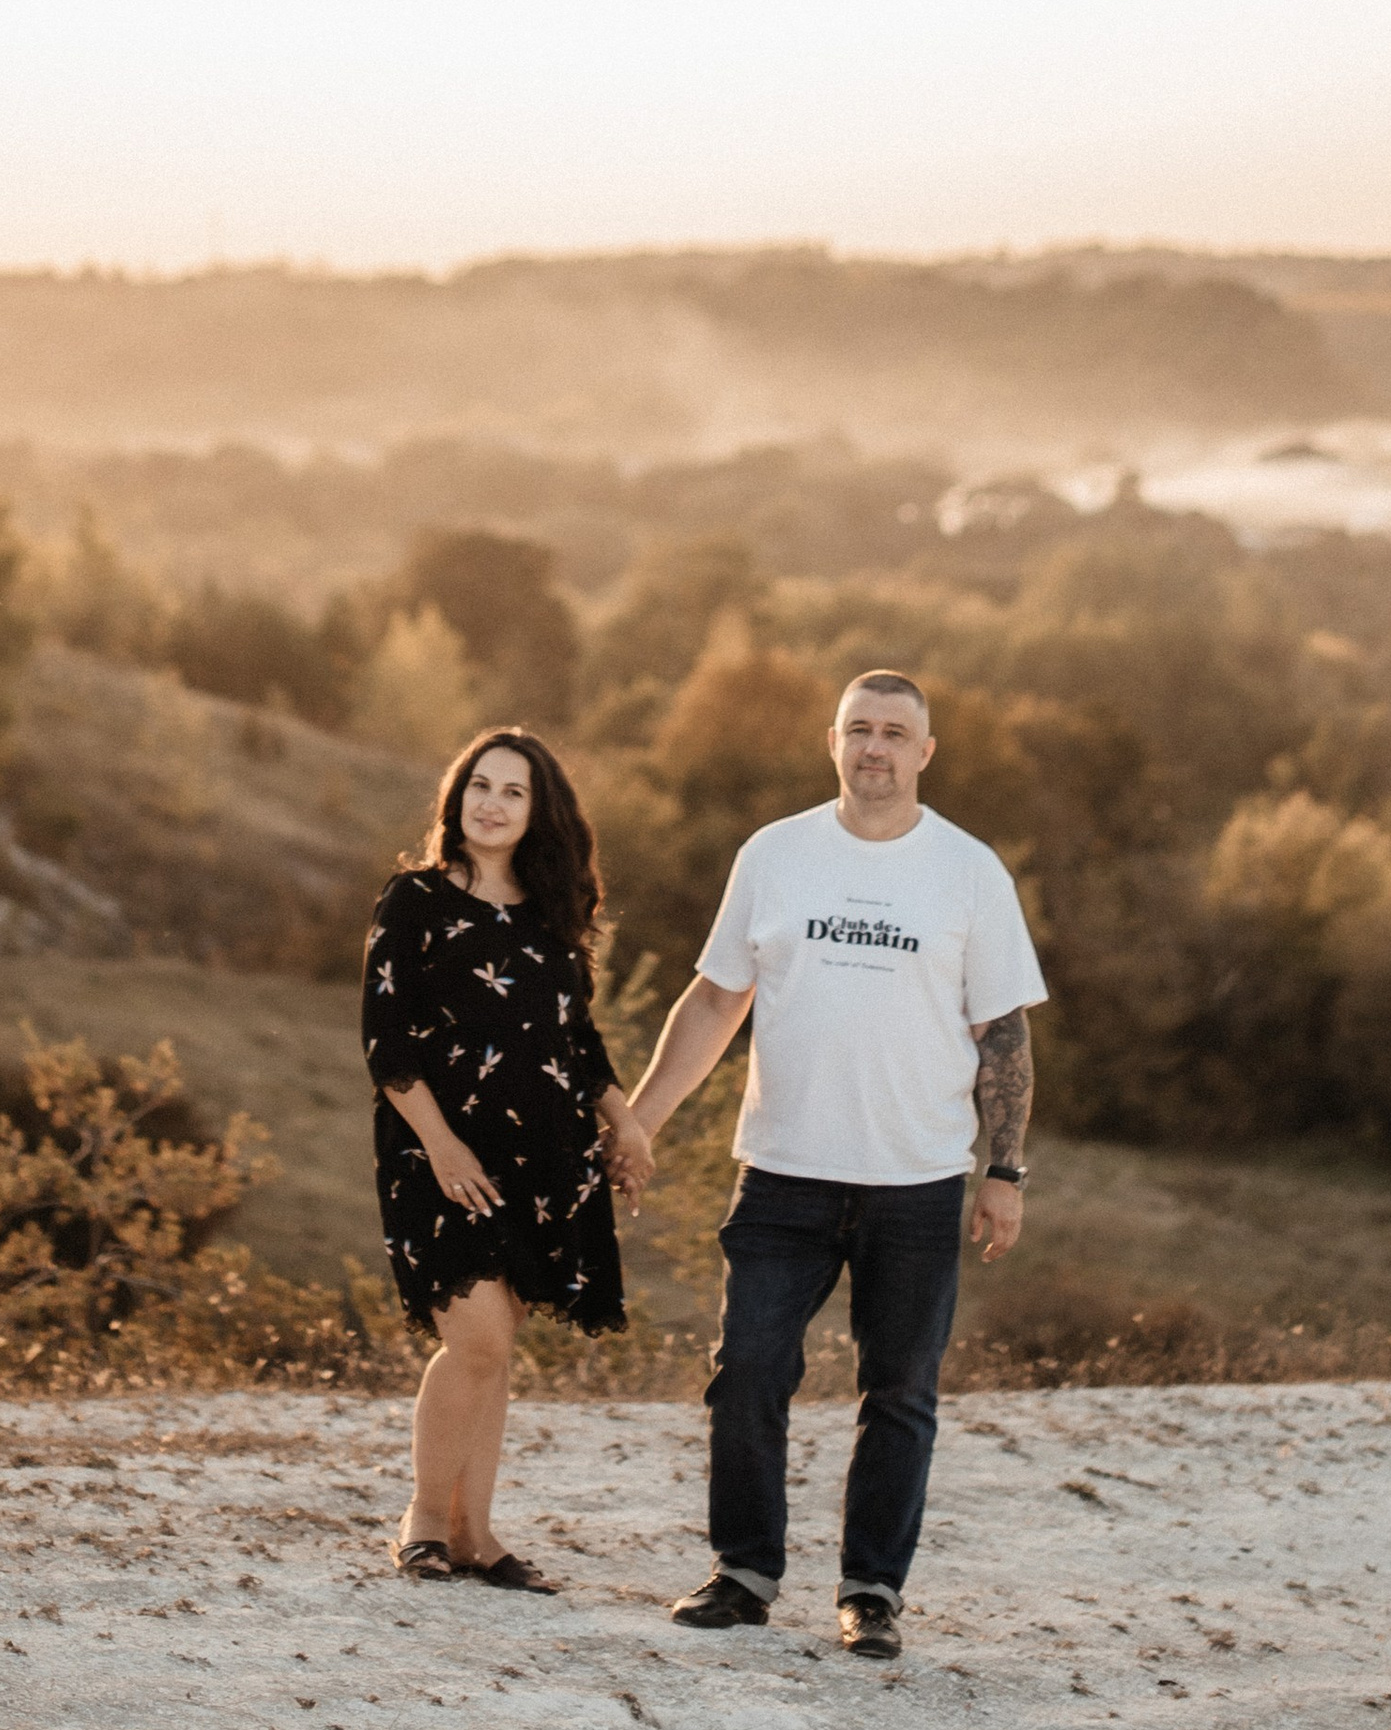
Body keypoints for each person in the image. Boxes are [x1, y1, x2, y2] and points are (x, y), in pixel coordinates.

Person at [626, 668, 1045, 1665]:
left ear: (925, 753)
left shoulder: (968, 871)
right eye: (859, 729)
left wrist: (1005, 1171)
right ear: (832, 742)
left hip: (914, 1181)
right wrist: (638, 1119)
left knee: (899, 1393)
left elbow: (1004, 1033)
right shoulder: (774, 856)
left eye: (895, 733)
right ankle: (744, 1574)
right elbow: (713, 1002)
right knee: (748, 1373)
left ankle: (870, 1592)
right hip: (782, 1173)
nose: (875, 749)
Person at [363, 724, 654, 1589]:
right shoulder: (413, 900)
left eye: (513, 791)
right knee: (476, 1337)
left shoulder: (550, 914)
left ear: (539, 812)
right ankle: (422, 1522)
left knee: (500, 1346)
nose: (491, 803)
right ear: (456, 798)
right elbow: (385, 1045)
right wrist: (444, 1146)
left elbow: (578, 1038)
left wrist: (625, 1122)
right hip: (437, 1153)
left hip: (547, 1156)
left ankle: (476, 1535)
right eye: (479, 785)